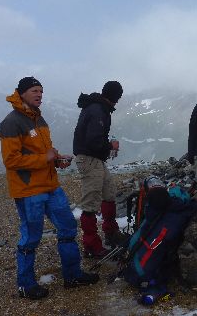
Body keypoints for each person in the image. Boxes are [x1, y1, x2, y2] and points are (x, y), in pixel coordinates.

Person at [0, 76, 98, 300]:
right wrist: (45, 157)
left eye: (41, 91)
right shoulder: (11, 122)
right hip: (29, 190)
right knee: (31, 237)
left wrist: (56, 160)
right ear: (22, 93)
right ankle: (26, 285)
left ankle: (72, 275)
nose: (39, 95)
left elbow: (42, 153)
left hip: (51, 186)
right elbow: (11, 160)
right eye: (34, 91)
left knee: (68, 228)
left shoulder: (39, 120)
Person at [73, 81, 125, 259]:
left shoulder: (98, 107)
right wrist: (110, 145)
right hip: (89, 159)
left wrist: (106, 148)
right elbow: (93, 140)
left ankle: (110, 233)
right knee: (91, 201)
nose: (117, 101)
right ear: (114, 96)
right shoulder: (98, 111)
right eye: (118, 97)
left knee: (109, 192)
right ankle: (91, 244)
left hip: (96, 158)